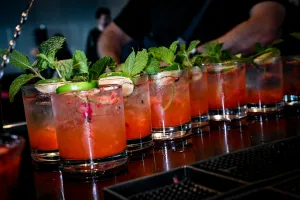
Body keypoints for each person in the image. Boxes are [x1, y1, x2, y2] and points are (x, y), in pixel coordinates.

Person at [98, 0, 300, 64]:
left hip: (244, 98)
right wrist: (111, 69)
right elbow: (111, 35)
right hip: (175, 101)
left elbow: (265, 26)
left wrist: (193, 58)